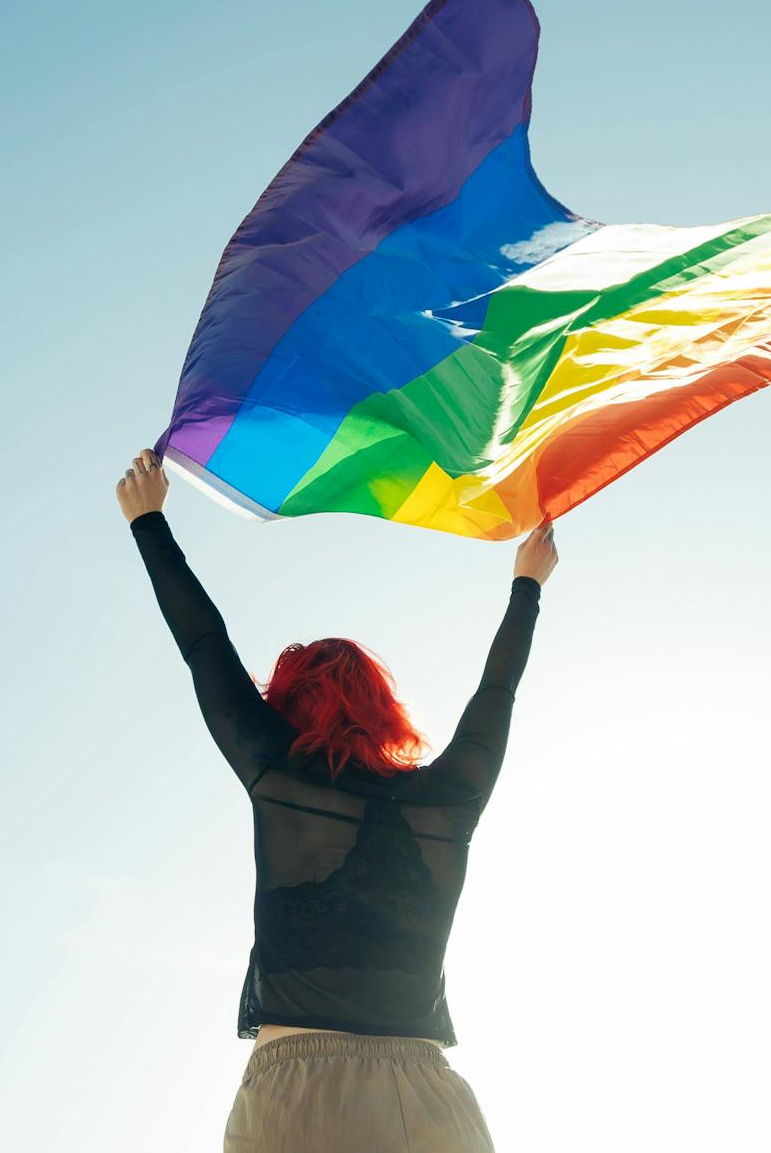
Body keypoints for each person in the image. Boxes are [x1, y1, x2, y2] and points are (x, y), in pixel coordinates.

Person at [115, 448, 558, 1153]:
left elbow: (206, 645)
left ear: (286, 706)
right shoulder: (446, 801)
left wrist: (148, 522)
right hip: (428, 1100)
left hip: (297, 1096)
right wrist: (526, 587)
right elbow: (495, 696)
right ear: (383, 710)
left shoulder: (276, 772)